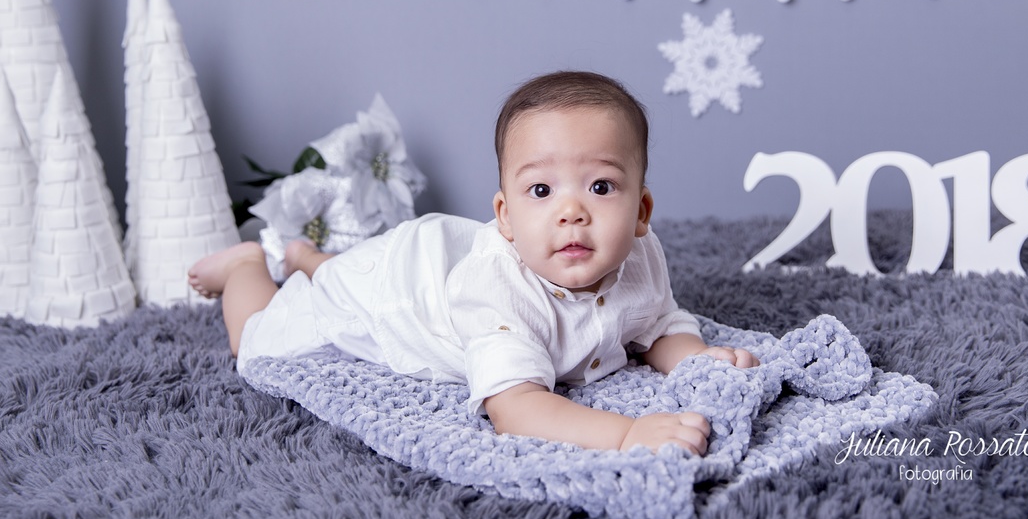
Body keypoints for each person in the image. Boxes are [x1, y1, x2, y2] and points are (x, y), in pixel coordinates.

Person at [189, 71, 758, 455]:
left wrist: (698, 358)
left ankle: (311, 258)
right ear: (505, 217)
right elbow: (517, 408)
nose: (571, 212)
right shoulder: (499, 295)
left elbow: (657, 325)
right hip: (393, 297)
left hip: (435, 261)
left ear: (642, 211)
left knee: (339, 268)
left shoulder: (641, 256)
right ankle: (247, 267)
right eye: (541, 191)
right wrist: (628, 432)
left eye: (602, 185)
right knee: (257, 344)